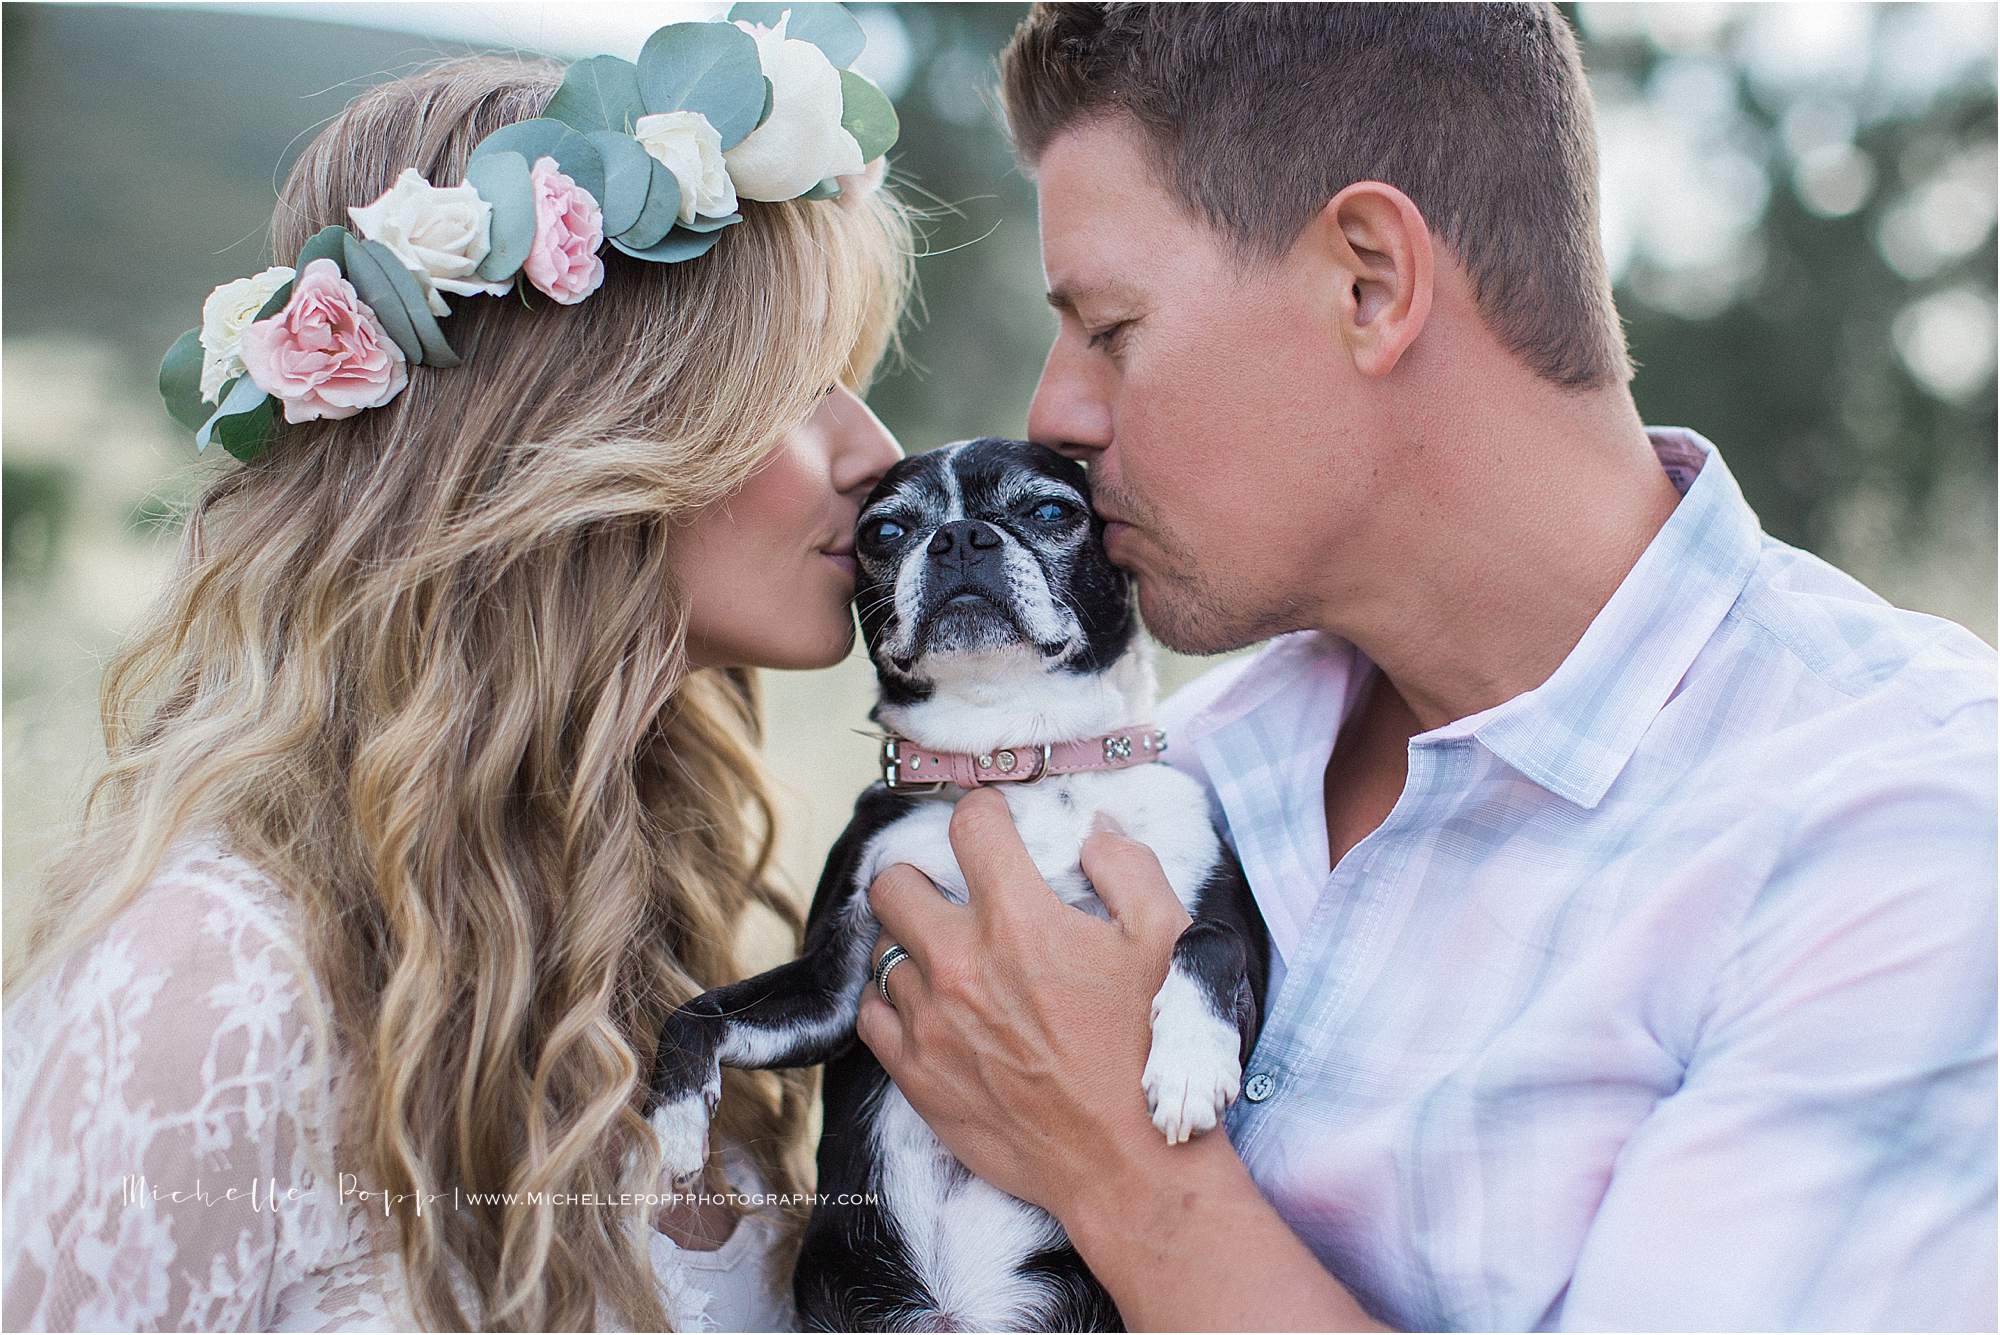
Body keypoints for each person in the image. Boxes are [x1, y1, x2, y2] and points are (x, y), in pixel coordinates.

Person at [858, 5, 1998, 1331]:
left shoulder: (1903, 838)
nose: (1057, 412)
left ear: (1371, 283)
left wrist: (1124, 1175)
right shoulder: (1180, 766)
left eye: (1109, 329)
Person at [2, 36, 909, 1333]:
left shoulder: (639, 931)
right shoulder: (216, 993)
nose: (875, 452)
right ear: (578, 431)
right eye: (793, 386)